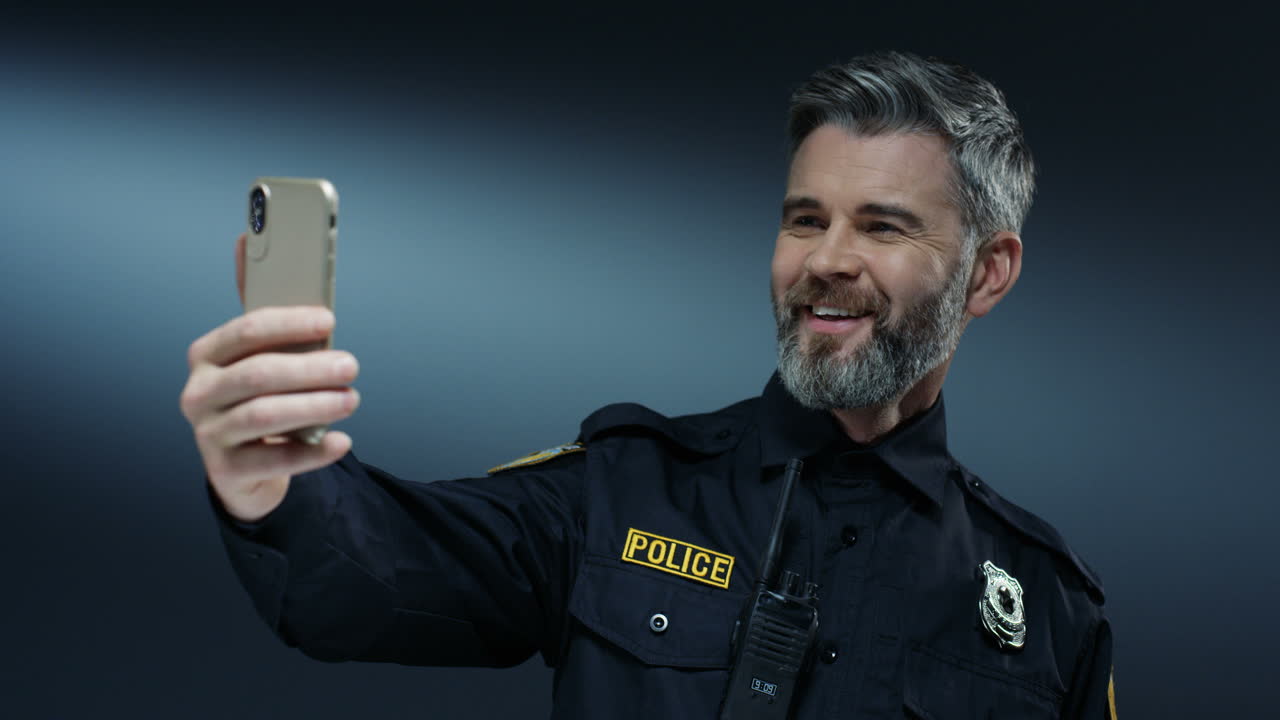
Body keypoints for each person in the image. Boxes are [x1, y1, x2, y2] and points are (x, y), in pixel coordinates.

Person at [181, 51, 1116, 718]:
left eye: (881, 227)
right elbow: (365, 582)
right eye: (804, 218)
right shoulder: (620, 487)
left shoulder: (1047, 606)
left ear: (988, 272)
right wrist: (276, 479)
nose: (825, 260)